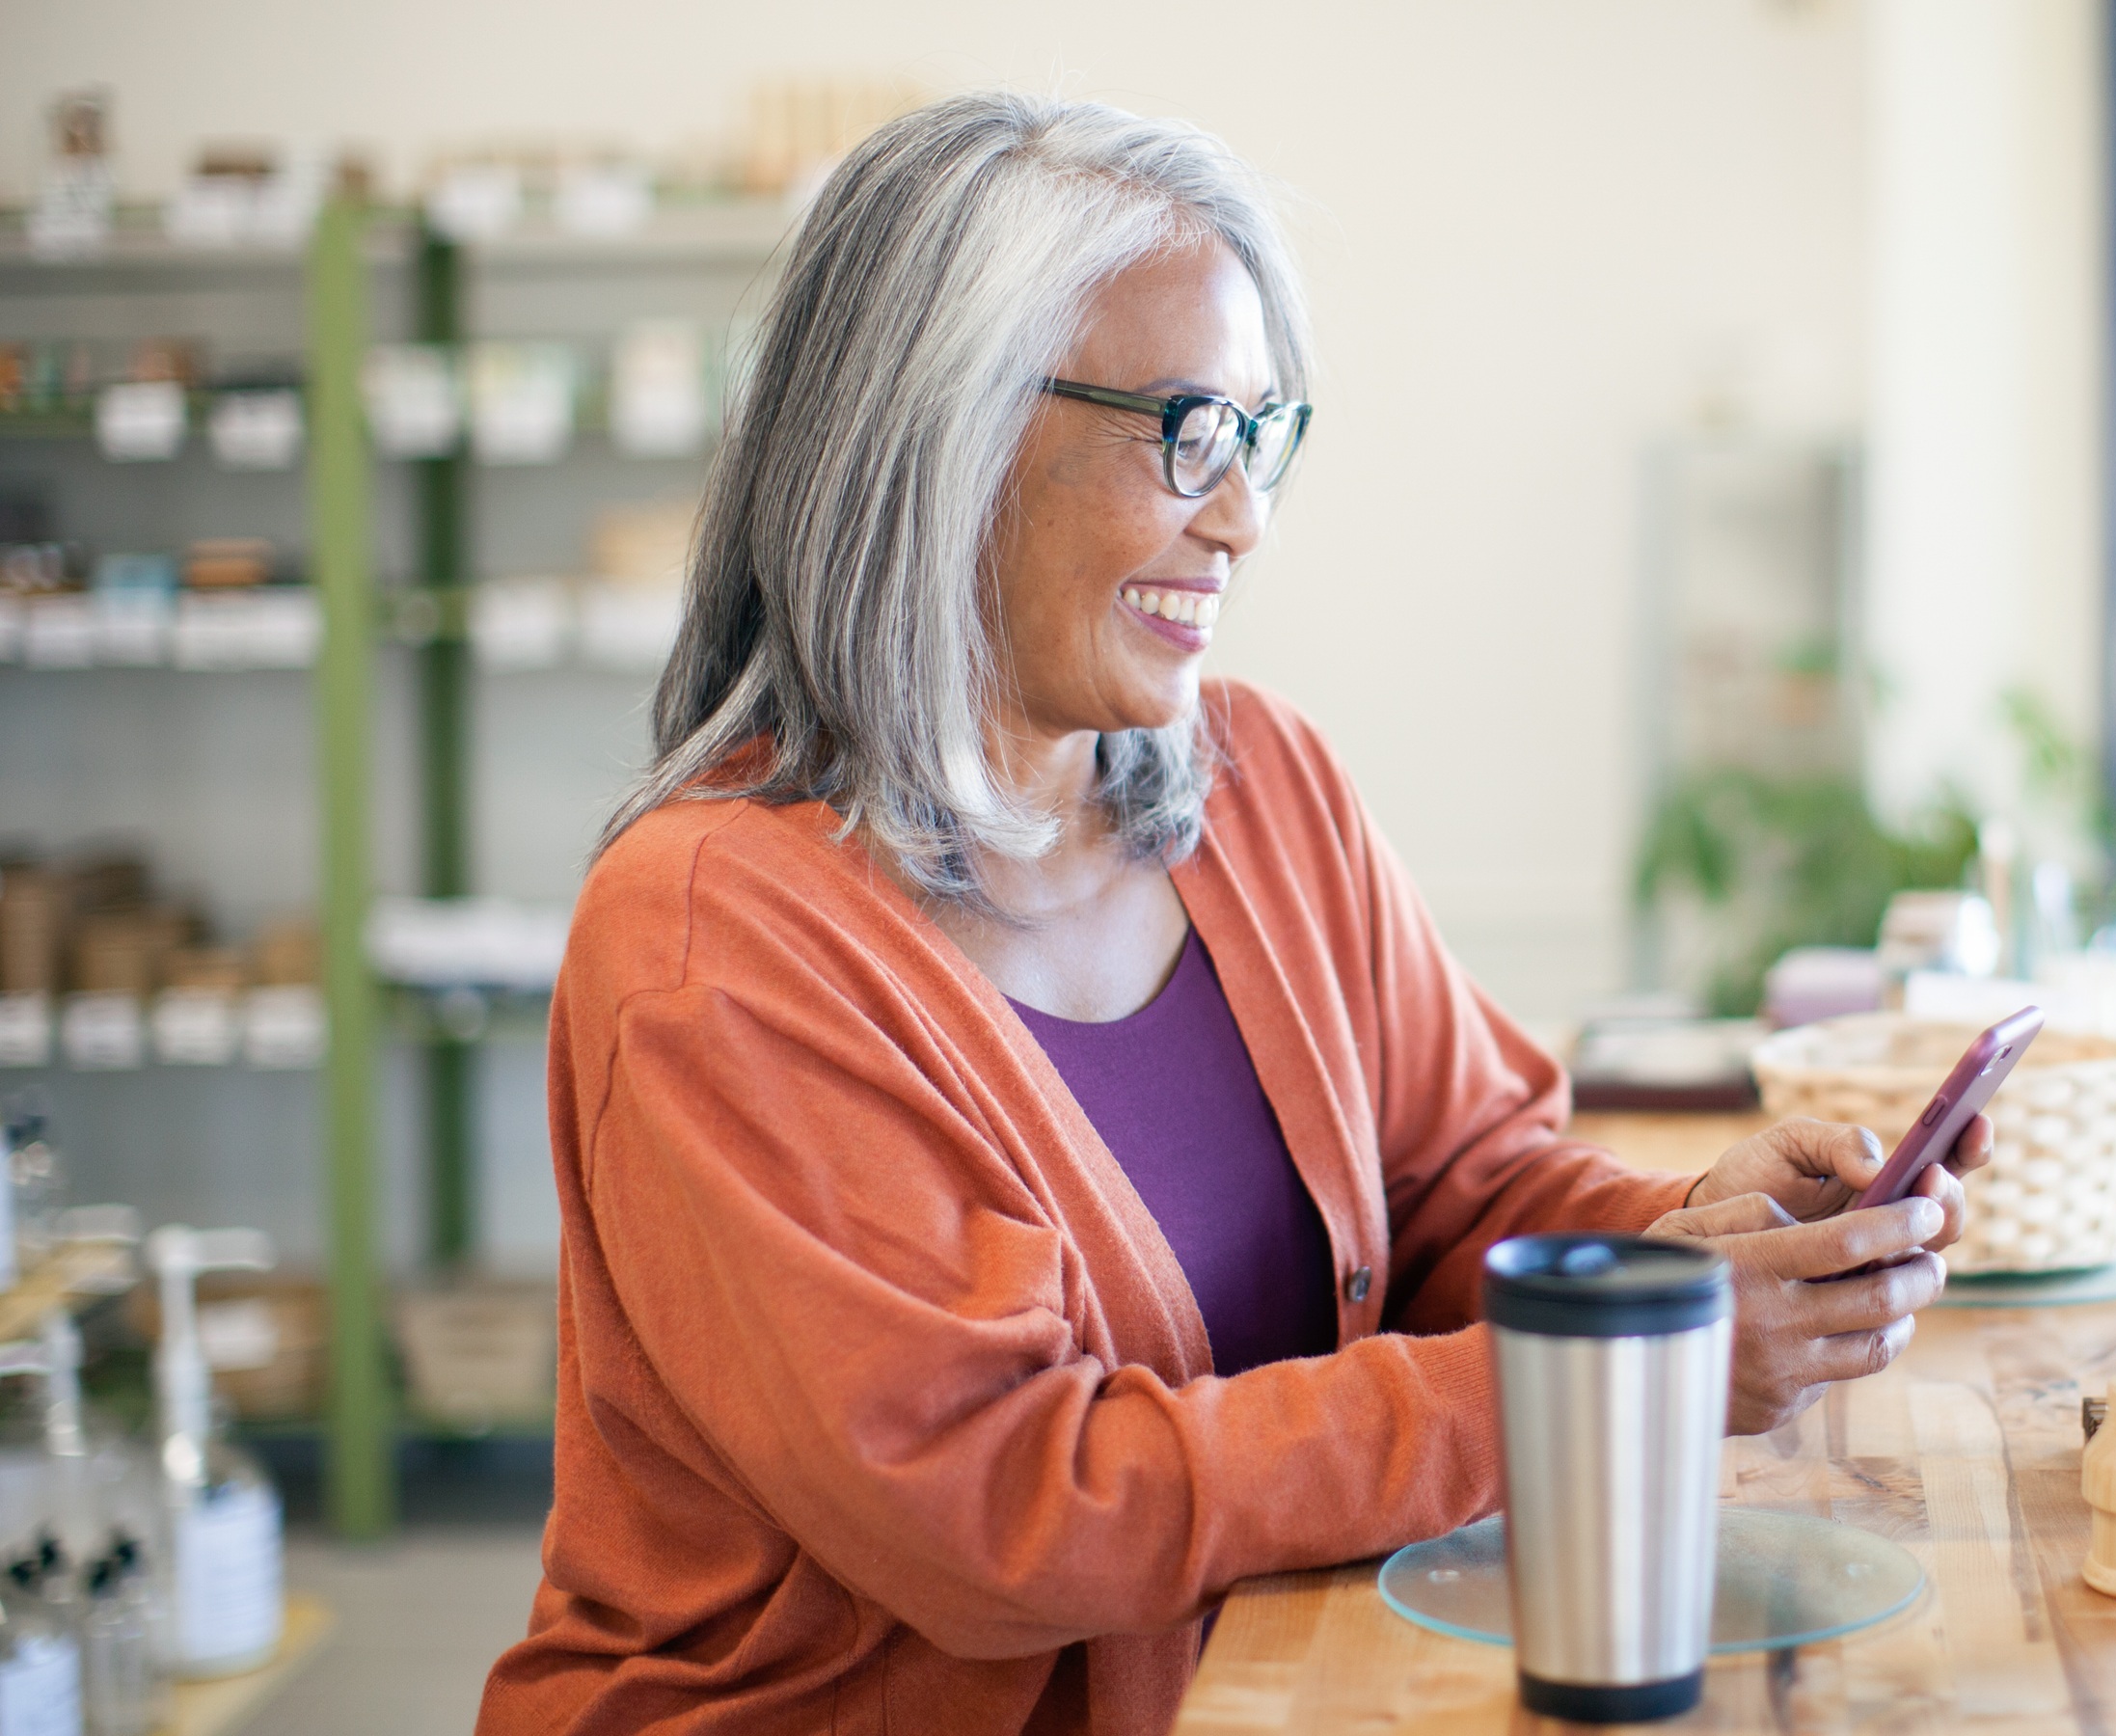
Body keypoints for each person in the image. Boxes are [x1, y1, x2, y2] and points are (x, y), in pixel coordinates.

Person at [475, 94, 1981, 1736]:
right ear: (941, 431)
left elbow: (1457, 1182)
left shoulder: (1261, 785)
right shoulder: (711, 941)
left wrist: (1686, 1240)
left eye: (1260, 433)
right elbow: (1011, 1508)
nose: (1245, 513)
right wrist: (1613, 1364)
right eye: (1188, 428)